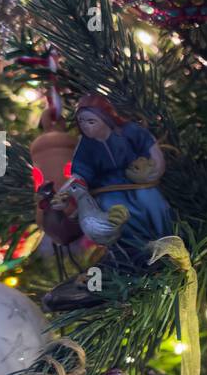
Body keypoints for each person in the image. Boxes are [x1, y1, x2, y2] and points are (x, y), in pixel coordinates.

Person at [63, 94, 172, 271]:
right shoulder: (85, 146)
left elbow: (152, 149)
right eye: (81, 122)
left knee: (151, 199)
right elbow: (80, 172)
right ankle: (138, 248)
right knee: (113, 209)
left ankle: (166, 238)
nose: (85, 126)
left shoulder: (129, 131)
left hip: (138, 180)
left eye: (91, 121)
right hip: (108, 189)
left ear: (106, 118)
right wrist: (73, 188)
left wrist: (154, 172)